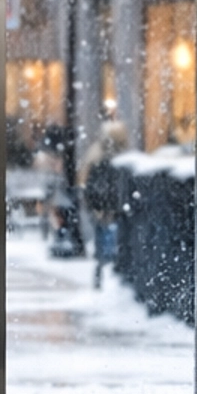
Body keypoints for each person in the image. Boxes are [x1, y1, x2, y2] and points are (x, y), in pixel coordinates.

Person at [81, 119, 128, 289]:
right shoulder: (114, 160)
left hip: (105, 210)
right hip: (111, 210)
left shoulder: (97, 157)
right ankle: (108, 280)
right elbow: (101, 187)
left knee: (104, 247)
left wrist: (96, 207)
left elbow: (92, 186)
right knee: (111, 247)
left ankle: (102, 278)